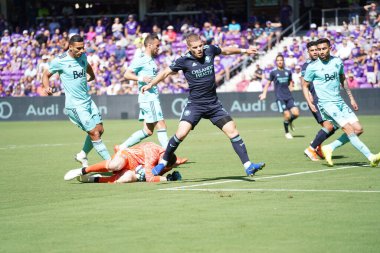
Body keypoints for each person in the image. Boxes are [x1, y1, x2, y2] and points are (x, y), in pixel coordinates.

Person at [141, 33, 265, 177]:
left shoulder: (210, 50)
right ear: (189, 48)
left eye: (200, 45)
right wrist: (151, 84)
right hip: (195, 105)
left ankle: (248, 166)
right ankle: (163, 161)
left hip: (213, 105)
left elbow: (225, 50)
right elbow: (165, 73)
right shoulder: (184, 60)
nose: (199, 49)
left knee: (232, 130)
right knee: (181, 134)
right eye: (195, 47)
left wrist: (244, 50)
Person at [303, 38, 380, 167]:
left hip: (339, 101)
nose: (321, 52)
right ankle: (371, 156)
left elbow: (342, 79)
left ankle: (330, 147)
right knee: (348, 129)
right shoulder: (312, 67)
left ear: (330, 48)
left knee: (358, 129)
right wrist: (310, 102)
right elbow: (304, 85)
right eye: (319, 49)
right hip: (326, 103)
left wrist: (351, 97)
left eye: (324, 48)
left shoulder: (337, 62)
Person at [42, 34, 111, 167]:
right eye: (79, 48)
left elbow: (88, 67)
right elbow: (46, 74)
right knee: (94, 133)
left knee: (100, 129)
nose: (82, 51)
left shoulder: (83, 56)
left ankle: (82, 155)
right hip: (75, 105)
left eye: (83, 47)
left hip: (88, 101)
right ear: (70, 47)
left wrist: (91, 76)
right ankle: (112, 163)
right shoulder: (60, 60)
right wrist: (46, 87)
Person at [118, 34, 170, 150]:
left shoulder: (151, 60)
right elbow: (126, 74)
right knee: (161, 125)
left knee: (148, 131)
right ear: (149, 45)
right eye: (157, 45)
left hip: (150, 97)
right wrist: (141, 79)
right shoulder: (142, 60)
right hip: (149, 98)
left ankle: (121, 147)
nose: (158, 48)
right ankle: (169, 156)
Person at [64, 142, 182, 183]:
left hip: (133, 169)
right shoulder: (153, 153)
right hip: (127, 157)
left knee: (126, 179)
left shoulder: (165, 159)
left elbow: (155, 173)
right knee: (115, 165)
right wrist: (168, 179)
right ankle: (83, 170)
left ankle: (92, 179)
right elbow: (150, 178)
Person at [301, 41, 336, 161]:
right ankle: (312, 148)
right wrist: (310, 100)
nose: (315, 52)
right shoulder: (307, 66)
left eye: (316, 49)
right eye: (312, 50)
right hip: (317, 100)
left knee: (334, 125)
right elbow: (304, 84)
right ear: (308, 52)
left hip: (328, 99)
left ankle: (316, 144)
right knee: (329, 126)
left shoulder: (324, 62)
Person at [259, 54, 299, 139]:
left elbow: (290, 81)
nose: (280, 61)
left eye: (281, 60)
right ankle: (287, 132)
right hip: (280, 97)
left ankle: (290, 122)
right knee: (287, 115)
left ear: (283, 61)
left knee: (296, 113)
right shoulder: (273, 72)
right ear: (276, 62)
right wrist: (264, 94)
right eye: (278, 60)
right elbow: (268, 84)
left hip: (289, 96)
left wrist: (291, 86)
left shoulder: (288, 71)